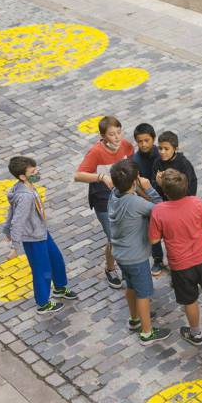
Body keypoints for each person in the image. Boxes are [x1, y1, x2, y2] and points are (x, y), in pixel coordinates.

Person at [149, 169, 202, 346]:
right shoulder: (197, 203)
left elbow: (154, 239)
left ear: (164, 192)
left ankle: (195, 334)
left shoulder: (158, 211)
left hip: (180, 264)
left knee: (190, 300)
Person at [2, 156, 77, 315]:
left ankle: (60, 287)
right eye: (33, 171)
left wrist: (5, 229)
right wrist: (14, 246)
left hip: (42, 232)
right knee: (41, 269)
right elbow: (17, 220)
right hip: (33, 238)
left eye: (36, 169)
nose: (37, 172)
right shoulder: (25, 196)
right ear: (22, 176)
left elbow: (11, 210)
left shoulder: (27, 186)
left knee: (56, 258)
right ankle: (43, 303)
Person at [108, 160, 171, 345]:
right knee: (143, 293)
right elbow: (160, 209)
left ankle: (135, 318)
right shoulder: (135, 202)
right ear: (135, 181)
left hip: (120, 253)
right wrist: (150, 188)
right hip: (136, 256)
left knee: (131, 286)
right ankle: (147, 332)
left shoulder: (114, 195)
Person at [73, 116, 140, 289]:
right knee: (114, 237)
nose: (117, 137)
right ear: (103, 136)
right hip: (104, 201)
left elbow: (132, 168)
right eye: (112, 134)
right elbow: (78, 175)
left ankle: (121, 269)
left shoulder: (126, 146)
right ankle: (114, 269)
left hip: (125, 197)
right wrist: (101, 177)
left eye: (119, 132)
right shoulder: (96, 152)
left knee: (122, 236)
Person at [131, 123, 166, 276]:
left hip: (167, 198)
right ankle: (158, 260)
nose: (143, 144)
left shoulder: (162, 154)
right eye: (140, 141)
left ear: (153, 139)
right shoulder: (136, 160)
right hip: (149, 201)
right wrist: (149, 199)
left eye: (147, 140)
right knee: (153, 232)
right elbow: (137, 185)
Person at [152, 131, 198, 199]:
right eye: (160, 148)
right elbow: (154, 186)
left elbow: (189, 188)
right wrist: (158, 184)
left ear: (175, 149)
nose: (162, 152)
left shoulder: (184, 164)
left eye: (166, 149)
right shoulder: (157, 163)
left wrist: (163, 184)